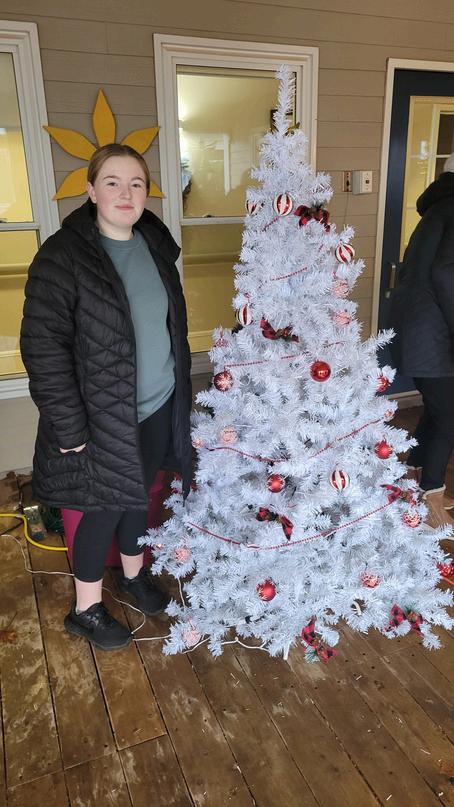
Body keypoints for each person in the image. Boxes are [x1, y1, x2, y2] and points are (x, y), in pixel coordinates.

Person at [21, 143, 193, 649]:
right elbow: (43, 348)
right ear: (91, 190)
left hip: (157, 402)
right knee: (103, 509)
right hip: (99, 417)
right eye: (112, 182)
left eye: (136, 184)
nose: (125, 193)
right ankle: (86, 609)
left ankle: (134, 575)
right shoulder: (63, 256)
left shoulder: (154, 246)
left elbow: (168, 328)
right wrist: (69, 427)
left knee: (138, 497)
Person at [389, 153, 454, 531]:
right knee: (450, 416)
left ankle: (414, 477)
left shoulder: (437, 209)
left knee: (438, 407)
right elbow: (447, 274)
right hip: (433, 329)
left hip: (419, 325)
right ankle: (431, 500)